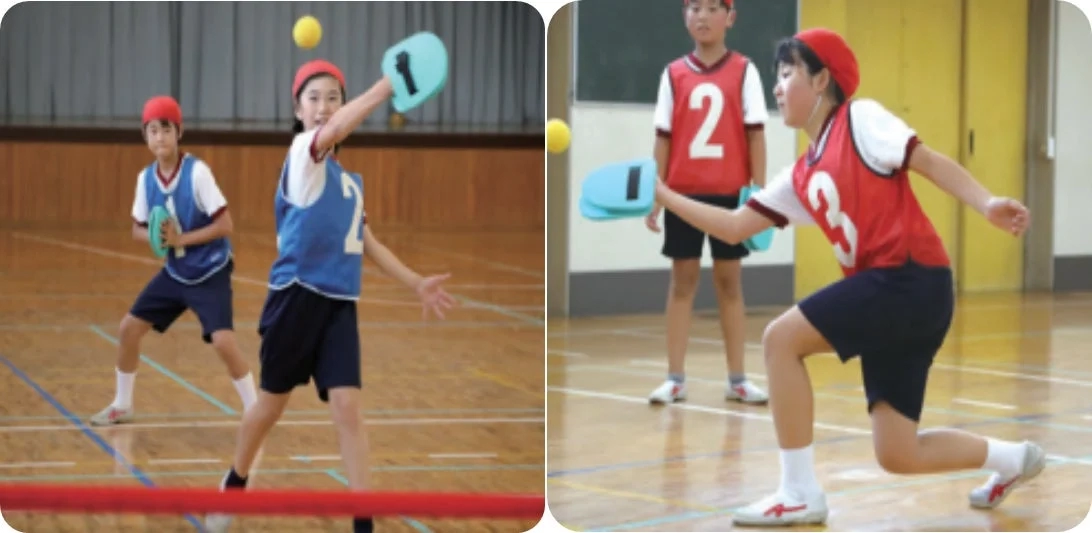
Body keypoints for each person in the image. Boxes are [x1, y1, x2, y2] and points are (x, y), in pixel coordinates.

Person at [651, 28, 1043, 526]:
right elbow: (733, 226)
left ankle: (797, 492)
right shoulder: (800, 173)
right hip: (899, 298)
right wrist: (663, 195)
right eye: (776, 76)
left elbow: (927, 162)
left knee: (780, 340)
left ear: (821, 81)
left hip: (909, 280)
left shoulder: (859, 118)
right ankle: (1014, 459)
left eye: (787, 73)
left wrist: (986, 203)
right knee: (897, 453)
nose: (777, 87)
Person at [204, 59, 456, 533]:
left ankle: (364, 524)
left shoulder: (350, 184)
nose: (323, 108)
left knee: (348, 408)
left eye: (332, 97)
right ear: (297, 110)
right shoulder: (303, 152)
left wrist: (415, 282)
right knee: (269, 408)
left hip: (339, 305)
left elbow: (369, 243)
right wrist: (385, 87)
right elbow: (334, 130)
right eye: (313, 98)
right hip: (294, 301)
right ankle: (235, 481)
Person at [90, 96, 256, 427]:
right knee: (128, 329)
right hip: (176, 272)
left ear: (178, 133)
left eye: (166, 129)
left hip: (210, 269)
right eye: (152, 130)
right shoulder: (145, 179)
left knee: (223, 342)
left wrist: (181, 239)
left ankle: (255, 408)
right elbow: (137, 229)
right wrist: (158, 238)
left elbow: (226, 225)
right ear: (145, 136)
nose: (160, 137)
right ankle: (123, 404)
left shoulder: (197, 173)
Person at [646, 0, 770, 406]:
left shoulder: (745, 71)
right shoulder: (673, 74)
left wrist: (760, 195)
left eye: (713, 7)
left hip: (730, 197)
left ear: (730, 18)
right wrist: (657, 196)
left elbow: (755, 135)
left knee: (729, 284)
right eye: (693, 7)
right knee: (681, 282)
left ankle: (737, 379)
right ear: (684, 16)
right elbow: (662, 138)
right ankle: (675, 378)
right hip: (682, 196)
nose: (702, 15)